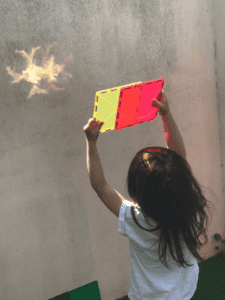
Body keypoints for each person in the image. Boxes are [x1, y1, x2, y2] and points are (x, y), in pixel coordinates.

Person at [118, 92, 215, 300]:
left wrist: (91, 140)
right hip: (185, 291)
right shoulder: (185, 202)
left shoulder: (133, 218)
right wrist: (166, 115)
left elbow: (99, 185)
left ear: (136, 192)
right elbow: (179, 157)